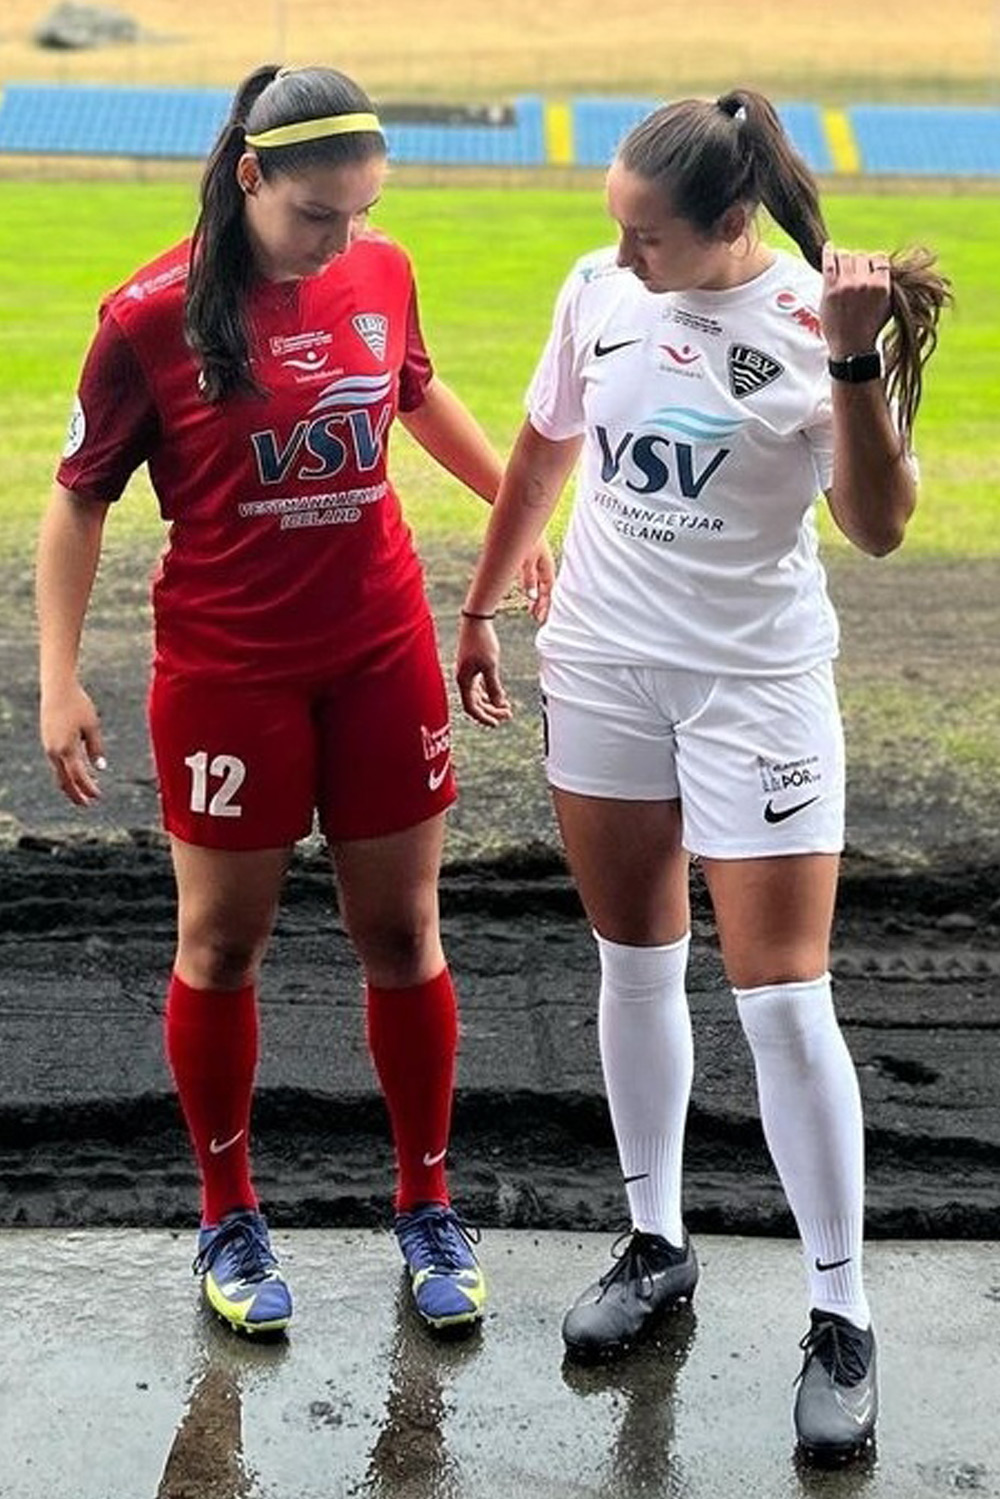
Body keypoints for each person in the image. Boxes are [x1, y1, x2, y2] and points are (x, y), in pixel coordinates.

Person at [456, 88, 949, 1460]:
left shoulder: (813, 321)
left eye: (649, 236)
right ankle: (655, 1239)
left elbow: (878, 525)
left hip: (754, 689)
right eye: (615, 229)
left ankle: (841, 1313)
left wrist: (851, 361)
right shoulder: (596, 293)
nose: (623, 257)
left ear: (732, 218)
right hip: (603, 667)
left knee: (782, 1001)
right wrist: (481, 603)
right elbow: (546, 449)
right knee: (633, 963)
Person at [37, 63, 548, 1340]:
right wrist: (58, 674)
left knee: (403, 930)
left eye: (363, 212)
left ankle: (426, 1204)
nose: (342, 240)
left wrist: (515, 509)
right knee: (221, 945)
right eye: (319, 215)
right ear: (251, 176)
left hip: (380, 651)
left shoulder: (381, 271)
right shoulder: (148, 317)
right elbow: (80, 497)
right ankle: (228, 1214)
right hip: (229, 675)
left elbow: (414, 390)